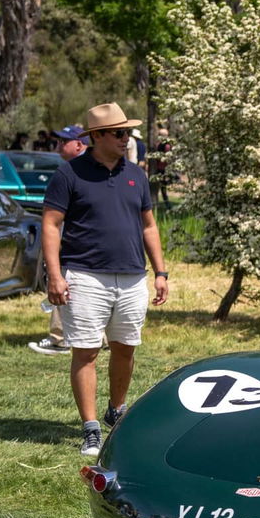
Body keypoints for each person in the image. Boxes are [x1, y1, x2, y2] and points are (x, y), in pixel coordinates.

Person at [41, 102, 168, 457]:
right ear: (96, 136)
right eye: (118, 132)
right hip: (84, 276)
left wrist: (160, 272)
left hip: (131, 277)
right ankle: (91, 427)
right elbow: (51, 225)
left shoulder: (137, 175)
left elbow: (149, 226)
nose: (125, 138)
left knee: (126, 347)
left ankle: (116, 409)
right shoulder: (70, 174)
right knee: (86, 351)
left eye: (127, 132)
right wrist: (54, 274)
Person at [29, 126, 89, 357]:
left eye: (64, 141)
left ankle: (59, 338)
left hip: (72, 243)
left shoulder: (73, 171)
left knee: (62, 284)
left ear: (78, 144)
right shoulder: (82, 169)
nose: (58, 146)